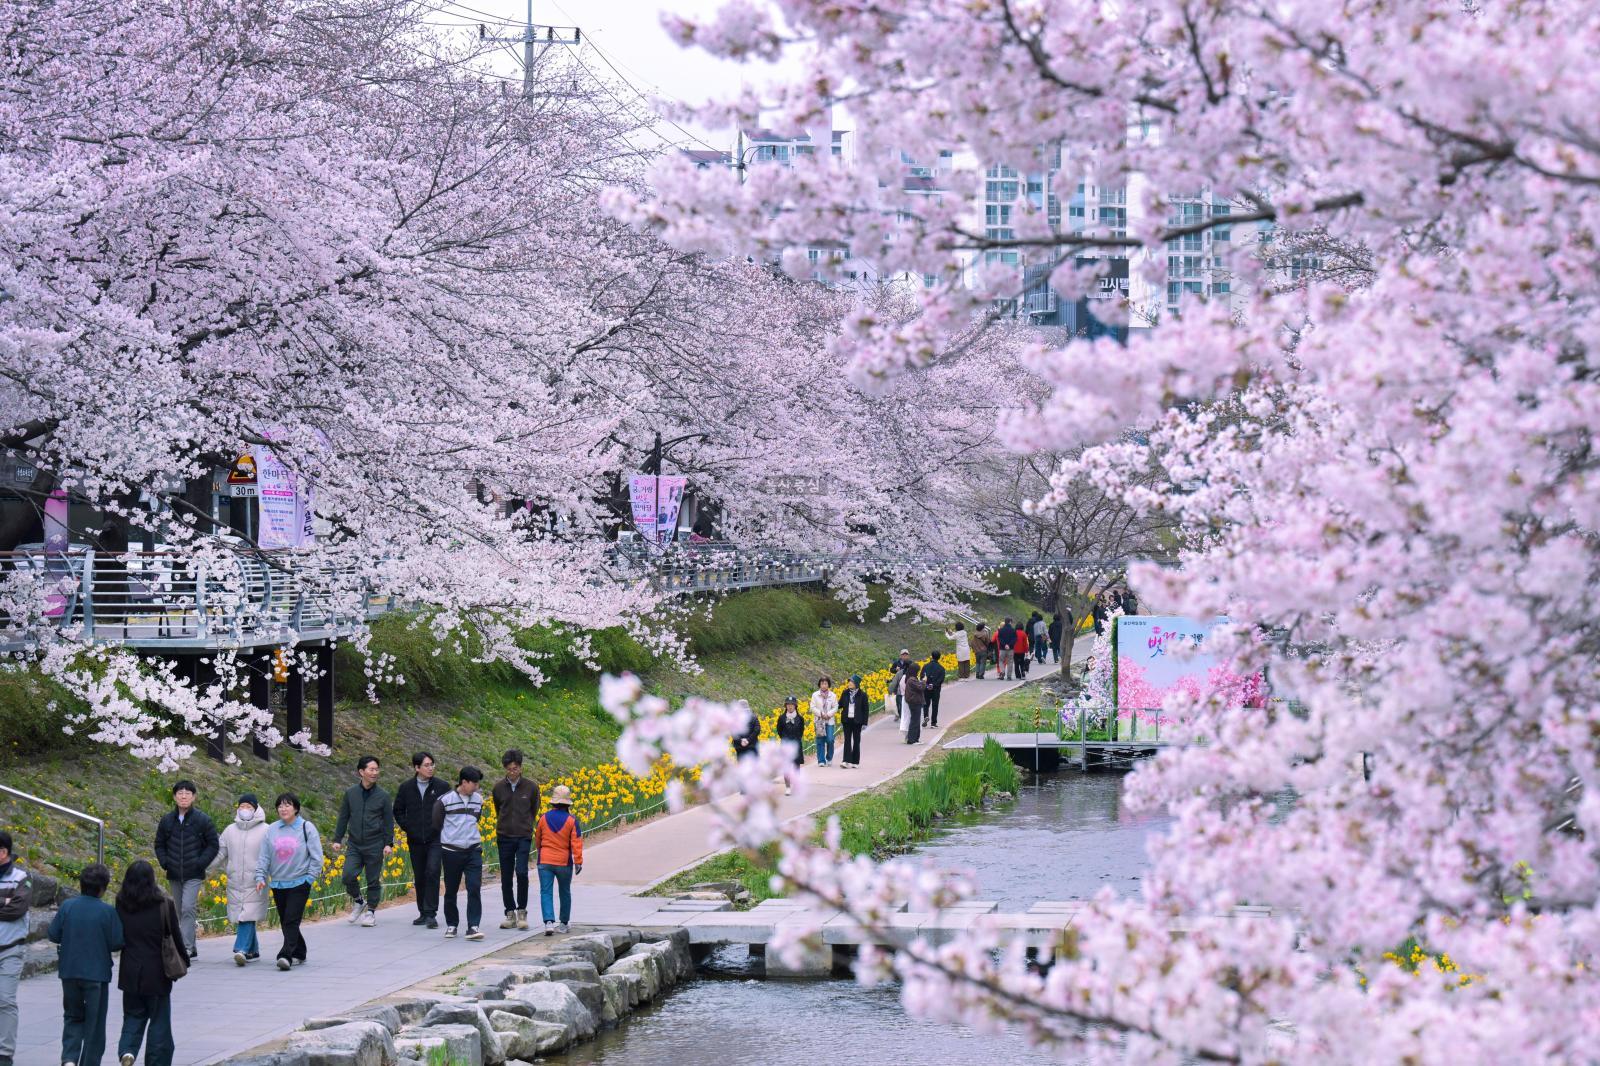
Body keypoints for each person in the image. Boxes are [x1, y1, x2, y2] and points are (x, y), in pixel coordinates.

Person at [49, 862, 123, 1066]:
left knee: (72, 1016)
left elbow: (53, 934)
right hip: (96, 975)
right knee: (95, 1024)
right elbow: (117, 942)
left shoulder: (67, 906)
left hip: (69, 972)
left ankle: (69, 1058)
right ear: (103, 888)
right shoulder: (107, 911)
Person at [114, 860, 186, 1066]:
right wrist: (183, 961)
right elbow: (175, 935)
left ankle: (127, 1050)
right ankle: (157, 1061)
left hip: (130, 970)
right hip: (158, 972)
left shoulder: (121, 902)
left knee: (132, 1015)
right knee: (159, 1021)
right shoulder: (164, 903)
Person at [253, 792, 324, 971]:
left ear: (296, 808)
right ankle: (300, 951)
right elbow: (264, 855)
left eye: (287, 805)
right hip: (278, 883)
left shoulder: (306, 828)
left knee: (291, 920)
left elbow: (317, 857)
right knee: (286, 919)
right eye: (280, 806)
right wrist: (260, 876)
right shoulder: (272, 829)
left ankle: (286, 955)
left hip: (300, 882)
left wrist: (309, 879)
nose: (283, 809)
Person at [152, 780, 217, 960]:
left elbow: (213, 844)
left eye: (188, 793)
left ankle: (186, 948)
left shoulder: (202, 820)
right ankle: (192, 947)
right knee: (180, 911)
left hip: (193, 873)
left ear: (194, 796)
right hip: (174, 872)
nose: (183, 796)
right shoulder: (167, 820)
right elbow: (159, 844)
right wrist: (165, 862)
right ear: (174, 797)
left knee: (188, 907)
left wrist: (200, 863)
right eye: (180, 793)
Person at [331, 755, 394, 927]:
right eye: (371, 769)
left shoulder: (383, 796)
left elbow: (389, 821)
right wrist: (338, 839)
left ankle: (371, 912)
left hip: (375, 843)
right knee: (348, 876)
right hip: (355, 844)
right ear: (361, 772)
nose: (375, 773)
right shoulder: (351, 793)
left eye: (376, 769)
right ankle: (359, 901)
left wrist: (388, 843)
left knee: (373, 879)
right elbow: (343, 817)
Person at [393, 751, 449, 929]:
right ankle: (423, 913)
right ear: (417, 768)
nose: (431, 768)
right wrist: (408, 827)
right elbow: (398, 810)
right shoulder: (406, 787)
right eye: (426, 765)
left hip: (436, 838)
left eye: (432, 764)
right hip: (415, 839)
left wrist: (441, 827)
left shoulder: (442, 786)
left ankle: (431, 913)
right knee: (420, 876)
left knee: (432, 871)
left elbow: (449, 808)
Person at [210, 793, 268, 966]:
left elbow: (271, 855)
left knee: (247, 915)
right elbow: (221, 853)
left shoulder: (266, 830)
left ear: (256, 809)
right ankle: (253, 950)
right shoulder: (230, 830)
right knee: (244, 915)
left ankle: (241, 949)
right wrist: (204, 868)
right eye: (242, 807)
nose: (245, 810)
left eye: (249, 807)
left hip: (257, 881)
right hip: (235, 882)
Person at [432, 766, 486, 941]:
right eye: (474, 783)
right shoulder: (445, 800)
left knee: (474, 887)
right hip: (451, 852)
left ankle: (473, 926)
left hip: (473, 850)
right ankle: (452, 924)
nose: (477, 787)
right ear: (464, 782)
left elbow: (476, 818)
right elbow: (437, 823)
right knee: (451, 889)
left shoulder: (478, 799)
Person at [493, 749, 540, 931]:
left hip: (523, 835)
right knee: (505, 875)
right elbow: (498, 809)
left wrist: (525, 825)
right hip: (504, 836)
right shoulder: (498, 788)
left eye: (516, 768)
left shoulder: (531, 787)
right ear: (505, 769)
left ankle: (522, 911)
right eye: (509, 769)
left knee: (521, 872)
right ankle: (509, 912)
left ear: (521, 767)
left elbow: (533, 809)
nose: (513, 772)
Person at [0, 830, 32, 1066]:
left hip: (10, 948)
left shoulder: (22, 877)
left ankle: (4, 1053)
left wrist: (9, 903)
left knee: (5, 999)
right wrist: (4, 901)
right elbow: (7, 907)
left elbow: (17, 909)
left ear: (3, 853)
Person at [534, 785, 584, 935]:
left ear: (553, 802)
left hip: (545, 861)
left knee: (545, 891)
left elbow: (538, 839)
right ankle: (563, 923)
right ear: (567, 803)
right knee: (564, 892)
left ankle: (549, 922)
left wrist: (541, 852)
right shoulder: (571, 820)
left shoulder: (543, 818)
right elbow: (576, 842)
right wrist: (578, 861)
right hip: (564, 862)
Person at [774, 697, 807, 795]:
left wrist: (795, 739)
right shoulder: (781, 718)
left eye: (792, 704)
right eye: (788, 705)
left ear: (795, 706)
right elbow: (779, 731)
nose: (790, 706)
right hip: (785, 745)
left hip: (796, 745)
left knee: (796, 766)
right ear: (785, 706)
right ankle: (788, 787)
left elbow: (801, 731)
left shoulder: (800, 718)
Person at [839, 675, 870, 768]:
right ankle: (846, 761)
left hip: (857, 721)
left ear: (856, 684)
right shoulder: (845, 693)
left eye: (851, 682)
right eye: (849, 682)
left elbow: (866, 709)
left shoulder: (863, 695)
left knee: (856, 741)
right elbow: (839, 704)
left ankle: (855, 761)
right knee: (847, 740)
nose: (849, 684)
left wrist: (865, 723)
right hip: (847, 720)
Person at [809, 677, 839, 767]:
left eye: (825, 683)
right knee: (820, 740)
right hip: (819, 721)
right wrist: (821, 714)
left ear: (828, 685)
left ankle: (829, 757)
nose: (824, 685)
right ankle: (821, 760)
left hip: (829, 721)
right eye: (822, 683)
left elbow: (836, 707)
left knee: (830, 739)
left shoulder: (833, 695)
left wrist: (829, 714)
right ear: (819, 685)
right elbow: (812, 707)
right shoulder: (815, 695)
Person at [921, 652, 947, 728]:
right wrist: (933, 685)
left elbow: (922, 676)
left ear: (931, 657)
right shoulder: (941, 668)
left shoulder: (925, 666)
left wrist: (927, 684)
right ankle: (933, 723)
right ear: (939, 658)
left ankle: (926, 716)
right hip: (936, 689)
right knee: (935, 705)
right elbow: (941, 679)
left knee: (926, 704)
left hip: (926, 688)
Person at [903, 666, 926, 743]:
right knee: (915, 721)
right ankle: (911, 740)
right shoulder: (912, 680)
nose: (918, 672)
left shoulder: (911, 679)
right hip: (915, 702)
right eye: (917, 670)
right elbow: (921, 687)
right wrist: (924, 681)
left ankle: (915, 739)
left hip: (914, 702)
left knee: (916, 720)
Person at [890, 649, 915, 718]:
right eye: (903, 655)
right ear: (900, 655)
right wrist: (896, 670)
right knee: (898, 700)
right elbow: (891, 670)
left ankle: (906, 714)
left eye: (906, 655)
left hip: (907, 683)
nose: (905, 656)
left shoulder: (911, 663)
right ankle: (900, 714)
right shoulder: (896, 663)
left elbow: (914, 671)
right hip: (898, 683)